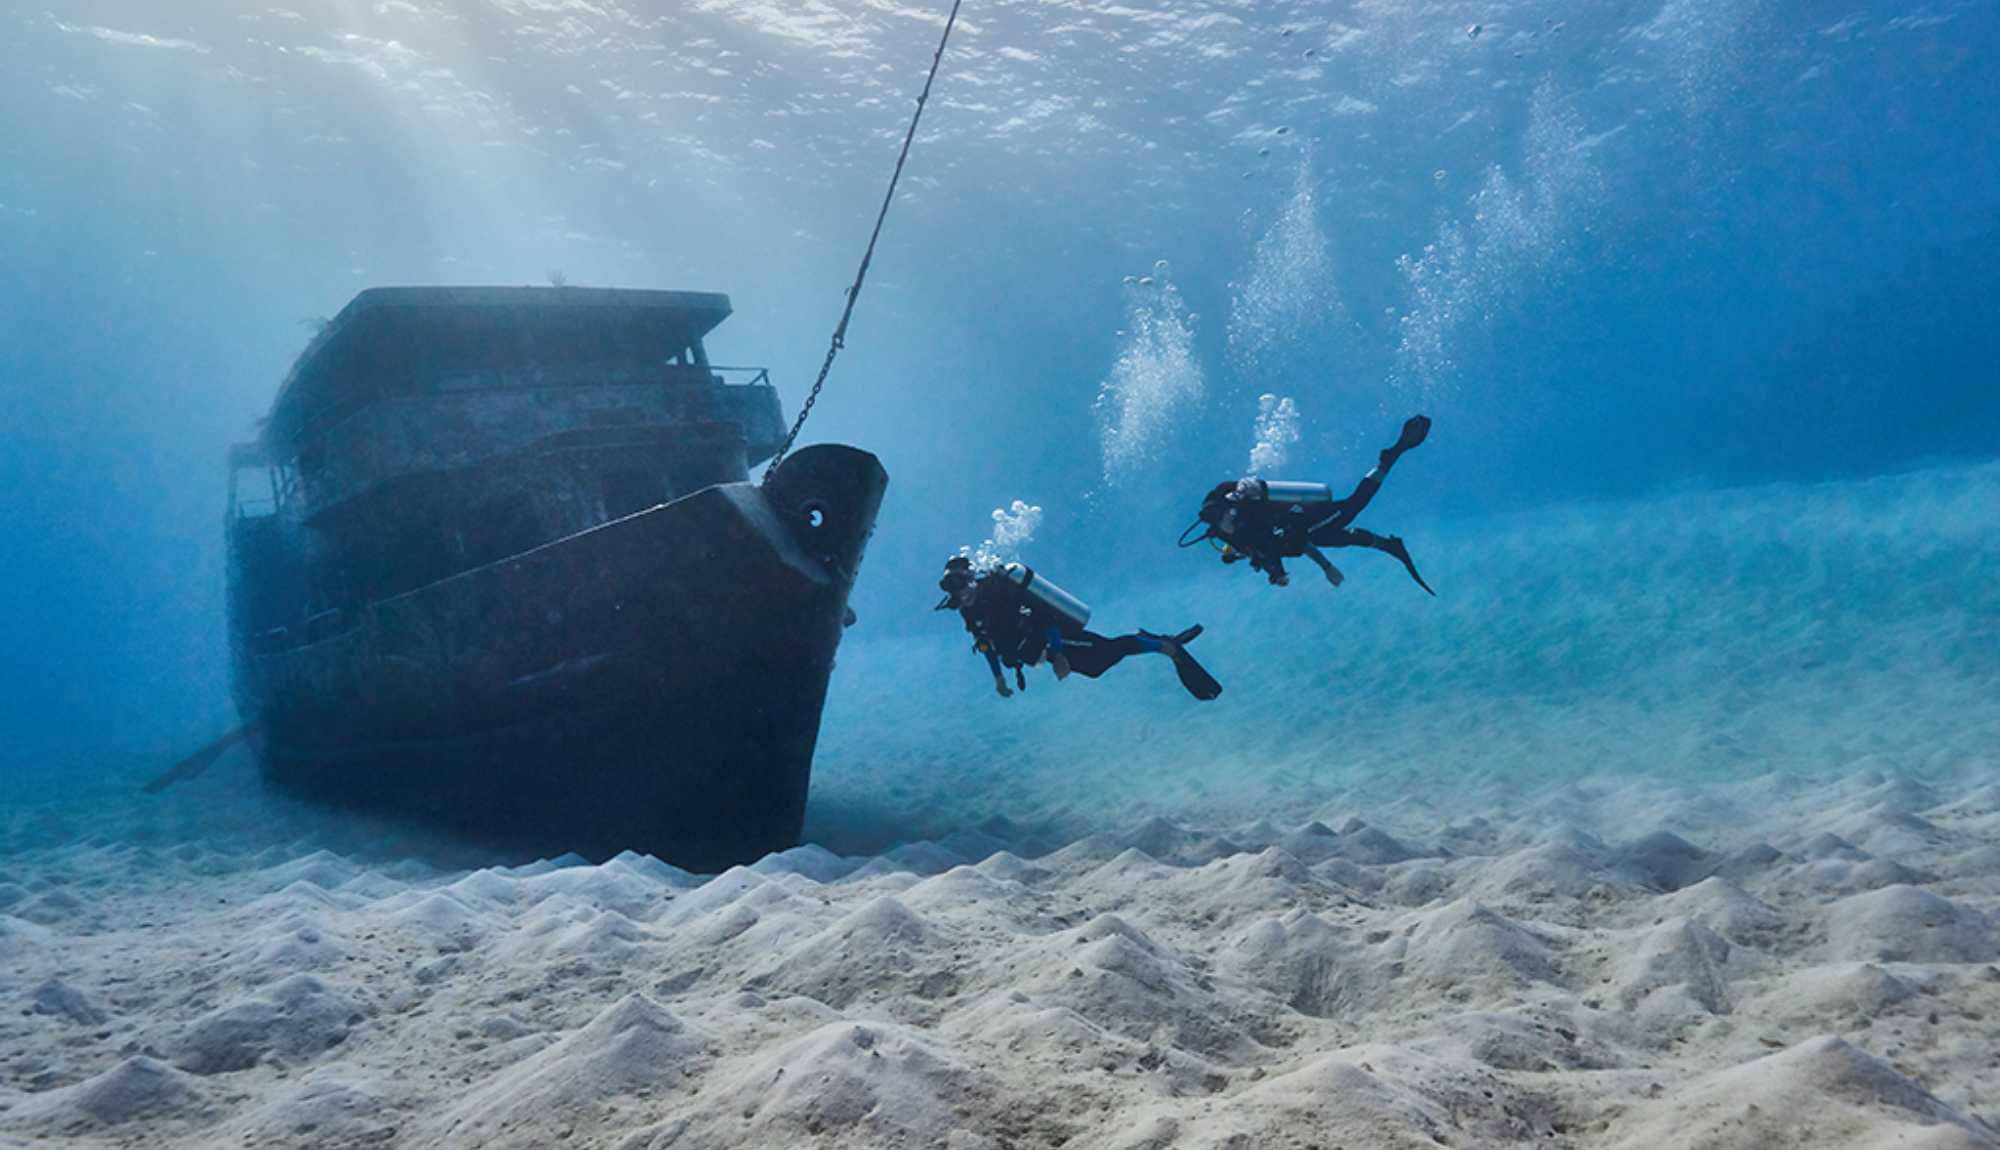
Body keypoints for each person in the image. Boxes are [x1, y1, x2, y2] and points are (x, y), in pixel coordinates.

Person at [1185, 414, 1436, 595]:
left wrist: (1326, 567)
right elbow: (1274, 547)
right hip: (1304, 527)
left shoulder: (1249, 525)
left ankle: (1390, 457)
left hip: (1305, 518)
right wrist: (1274, 570)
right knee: (1342, 536)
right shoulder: (1238, 532)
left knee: (1355, 505)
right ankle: (1390, 546)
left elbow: (1293, 541)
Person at [935, 557, 1222, 701]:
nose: (958, 593)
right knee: (1098, 665)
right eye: (951, 588)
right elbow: (985, 644)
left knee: (1108, 653)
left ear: (970, 578)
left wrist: (1058, 654)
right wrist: (998, 678)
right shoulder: (969, 611)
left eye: (960, 584)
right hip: (1043, 653)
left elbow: (1043, 618)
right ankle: (1156, 642)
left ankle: (1165, 646)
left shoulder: (997, 593)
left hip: (1055, 643)